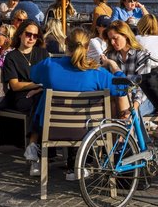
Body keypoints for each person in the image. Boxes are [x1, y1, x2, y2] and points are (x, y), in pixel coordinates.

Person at [30, 27, 128, 180]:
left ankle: (41, 156)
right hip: (89, 132)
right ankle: (79, 164)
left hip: (54, 129)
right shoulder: (97, 73)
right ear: (88, 47)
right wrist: (115, 67)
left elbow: (33, 75)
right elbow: (123, 88)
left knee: (41, 96)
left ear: (66, 45)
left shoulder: (49, 65)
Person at [1, 19, 49, 176]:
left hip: (41, 92)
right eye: (28, 34)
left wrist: (39, 87)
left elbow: (49, 77)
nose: (32, 38)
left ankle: (33, 148)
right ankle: (35, 154)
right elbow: (14, 85)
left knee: (44, 102)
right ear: (20, 34)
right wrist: (36, 86)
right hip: (20, 96)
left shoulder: (42, 53)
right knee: (38, 103)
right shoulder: (12, 57)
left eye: (35, 36)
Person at [102, 20, 154, 116]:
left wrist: (133, 107)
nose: (112, 42)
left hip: (143, 98)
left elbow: (143, 87)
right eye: (110, 40)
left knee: (128, 114)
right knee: (113, 106)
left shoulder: (141, 54)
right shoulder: (110, 55)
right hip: (120, 97)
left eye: (115, 38)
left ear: (125, 35)